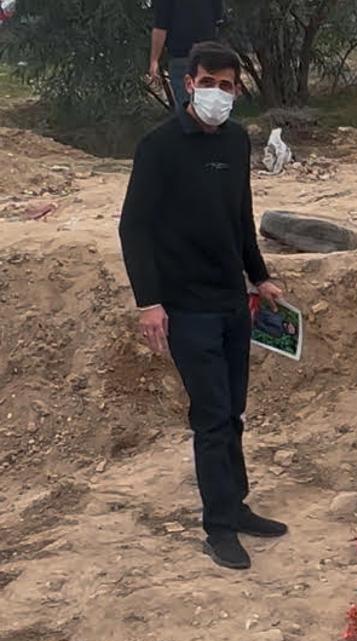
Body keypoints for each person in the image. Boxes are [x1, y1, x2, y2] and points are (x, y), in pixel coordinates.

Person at [119, 42, 287, 571]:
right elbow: (134, 227)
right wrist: (149, 303)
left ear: (239, 90)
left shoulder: (237, 141)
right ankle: (218, 526)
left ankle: (235, 506)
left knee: (232, 411)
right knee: (212, 415)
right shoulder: (159, 146)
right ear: (188, 83)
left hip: (232, 302)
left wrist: (259, 277)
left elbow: (241, 216)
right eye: (208, 82)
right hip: (185, 306)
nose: (218, 93)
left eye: (228, 84)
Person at [148, 0, 223, 112]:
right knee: (212, 106)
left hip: (182, 55)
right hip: (208, 53)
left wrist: (154, 60)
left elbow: (160, 28)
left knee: (188, 109)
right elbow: (218, 20)